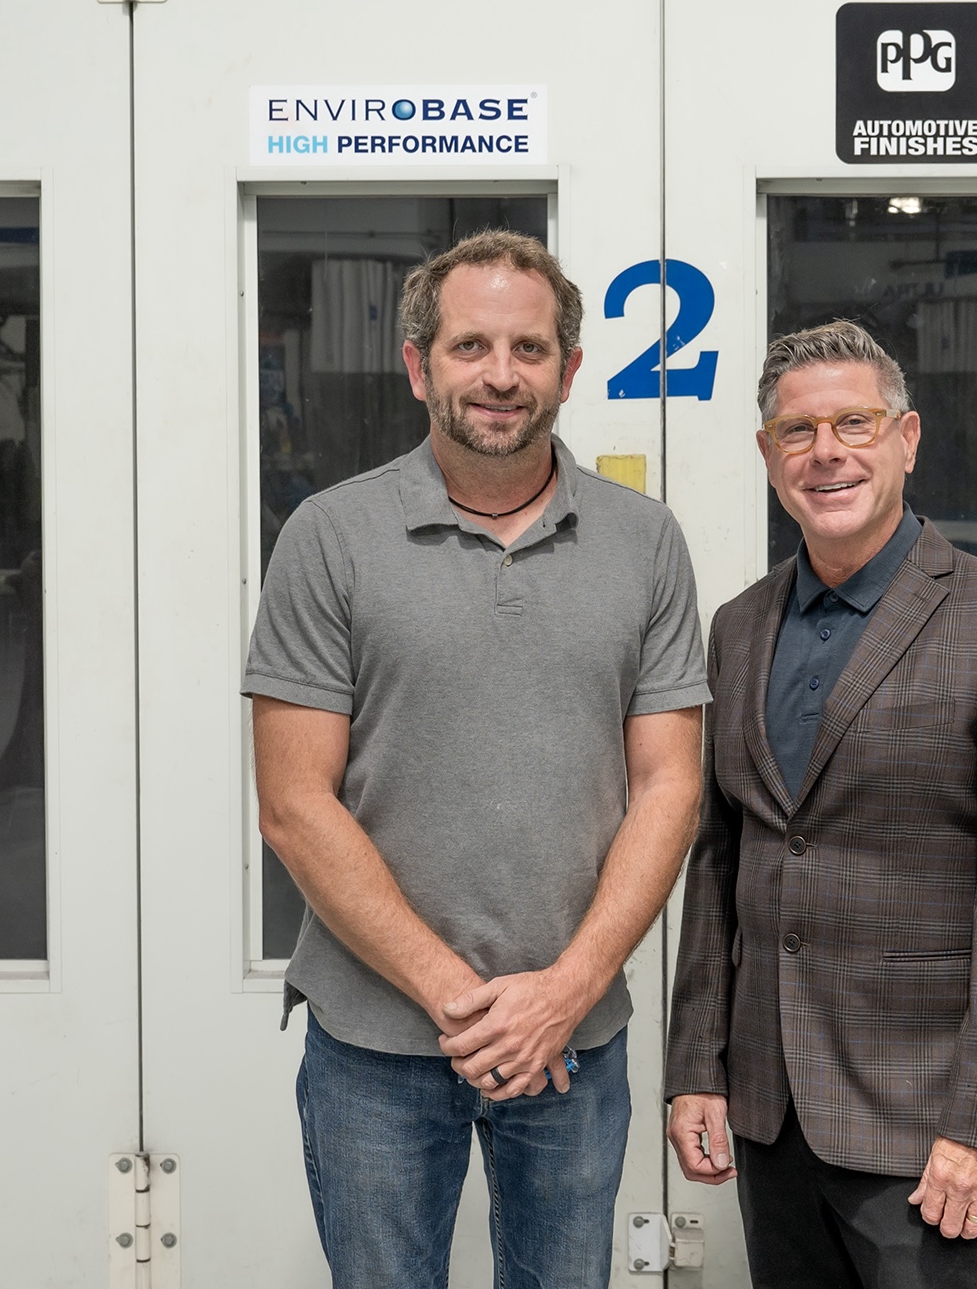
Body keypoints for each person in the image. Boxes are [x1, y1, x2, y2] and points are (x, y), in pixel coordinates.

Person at [245, 230, 710, 1289]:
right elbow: (293, 803)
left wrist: (566, 989)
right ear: (419, 365)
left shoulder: (645, 542)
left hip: (574, 1040)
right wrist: (464, 998)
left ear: (570, 369)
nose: (501, 374)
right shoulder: (331, 536)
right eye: (470, 346)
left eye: (530, 349)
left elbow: (671, 785)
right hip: (374, 1043)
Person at [664, 320, 977, 1288]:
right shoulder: (740, 627)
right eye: (797, 430)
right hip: (770, 1111)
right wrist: (698, 1061)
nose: (826, 452)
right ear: (768, 452)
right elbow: (718, 858)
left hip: (925, 1125)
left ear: (906, 438)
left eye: (853, 423)